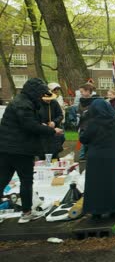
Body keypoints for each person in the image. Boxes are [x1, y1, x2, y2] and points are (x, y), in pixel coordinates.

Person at [0, 78, 63, 224]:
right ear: (34, 92)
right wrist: (52, 131)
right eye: (41, 93)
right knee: (26, 181)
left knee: (2, 179)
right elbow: (30, 126)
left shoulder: (20, 101)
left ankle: (26, 211)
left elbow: (27, 123)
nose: (42, 96)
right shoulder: (24, 104)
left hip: (5, 148)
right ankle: (27, 213)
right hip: (21, 149)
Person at [79, 99, 115, 220]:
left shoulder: (93, 123)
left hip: (97, 157)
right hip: (114, 156)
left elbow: (84, 139)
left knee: (96, 184)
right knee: (114, 182)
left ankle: (96, 211)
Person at [38, 93, 65, 160]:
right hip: (42, 133)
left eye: (50, 99)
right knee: (42, 154)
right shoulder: (37, 104)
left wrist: (54, 122)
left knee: (54, 153)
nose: (48, 100)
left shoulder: (54, 103)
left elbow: (60, 115)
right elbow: (33, 118)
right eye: (46, 99)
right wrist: (40, 123)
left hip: (53, 132)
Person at [77, 83, 99, 160]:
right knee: (82, 143)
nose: (81, 94)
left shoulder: (95, 101)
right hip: (82, 126)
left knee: (91, 143)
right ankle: (82, 158)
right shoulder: (80, 102)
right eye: (80, 92)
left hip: (91, 126)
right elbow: (79, 113)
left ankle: (90, 157)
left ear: (88, 91)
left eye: (82, 92)